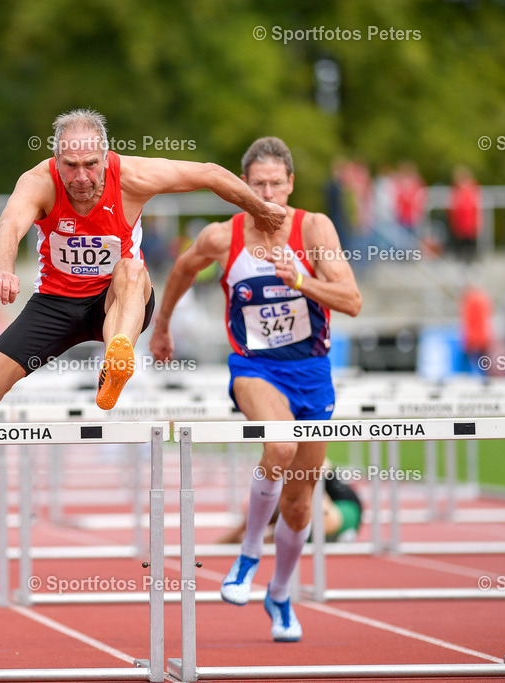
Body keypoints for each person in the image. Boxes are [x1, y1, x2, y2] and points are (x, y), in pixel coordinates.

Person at [150, 137, 361, 642]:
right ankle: (247, 557)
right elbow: (182, 269)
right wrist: (161, 326)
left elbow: (351, 300)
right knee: (279, 445)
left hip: (311, 373)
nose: (267, 194)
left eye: (276, 184)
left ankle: (280, 593)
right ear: (242, 186)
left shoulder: (314, 229)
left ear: (291, 184)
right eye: (258, 184)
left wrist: (302, 282)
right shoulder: (223, 237)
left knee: (300, 504)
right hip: (253, 368)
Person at [0, 109, 285, 420]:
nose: (81, 177)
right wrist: (3, 268)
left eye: (91, 164)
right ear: (56, 159)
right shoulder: (39, 181)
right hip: (55, 302)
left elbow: (210, 174)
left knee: (131, 268)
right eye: (70, 166)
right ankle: (113, 362)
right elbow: (8, 228)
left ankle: (116, 362)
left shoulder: (132, 177)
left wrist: (259, 209)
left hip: (117, 299)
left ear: (105, 156)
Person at [219, 464, 363, 545]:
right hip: (318, 517)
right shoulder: (279, 535)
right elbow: (226, 544)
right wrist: (247, 525)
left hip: (340, 504)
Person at [449, 166, 480, 263]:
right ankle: (460, 257)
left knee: (469, 239)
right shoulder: (455, 188)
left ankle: (470, 258)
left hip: (469, 217)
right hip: (459, 218)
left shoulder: (472, 187)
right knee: (459, 239)